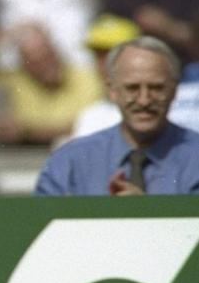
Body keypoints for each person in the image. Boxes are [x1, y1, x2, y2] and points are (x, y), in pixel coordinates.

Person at [35, 36, 199, 196]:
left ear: (175, 90)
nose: (144, 100)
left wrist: (144, 213)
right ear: (112, 90)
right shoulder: (70, 162)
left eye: (156, 88)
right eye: (132, 88)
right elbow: (41, 221)